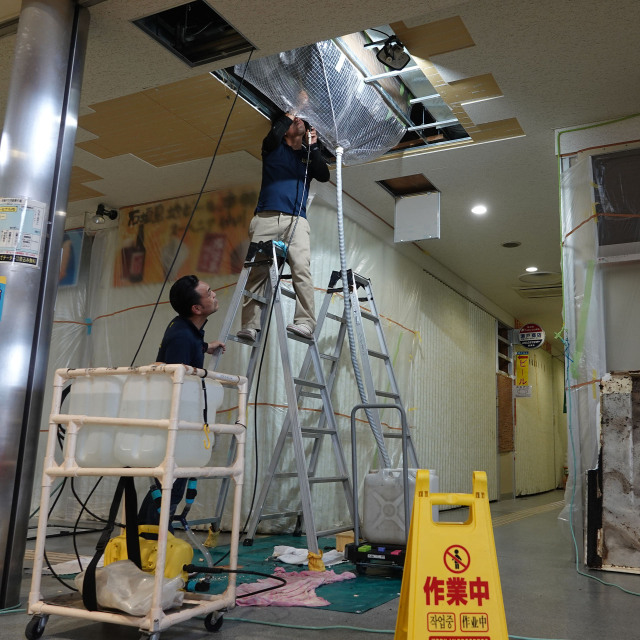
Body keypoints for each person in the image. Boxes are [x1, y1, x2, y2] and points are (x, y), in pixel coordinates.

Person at [138, 274, 225, 530]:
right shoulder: (182, 337)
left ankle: (148, 533)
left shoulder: (185, 328)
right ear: (196, 308)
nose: (214, 295)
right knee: (171, 485)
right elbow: (174, 376)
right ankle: (150, 536)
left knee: (170, 482)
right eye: (209, 293)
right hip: (176, 420)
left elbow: (186, 350)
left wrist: (205, 347)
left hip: (182, 419)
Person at [237, 112, 330, 342]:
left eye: (301, 119)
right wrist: (290, 113)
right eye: (293, 119)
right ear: (284, 126)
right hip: (266, 217)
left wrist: (313, 146)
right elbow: (273, 135)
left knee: (301, 269)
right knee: (257, 271)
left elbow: (324, 175)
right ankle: (250, 326)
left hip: (297, 220)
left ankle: (305, 322)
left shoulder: (308, 157)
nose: (298, 120)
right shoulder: (272, 148)